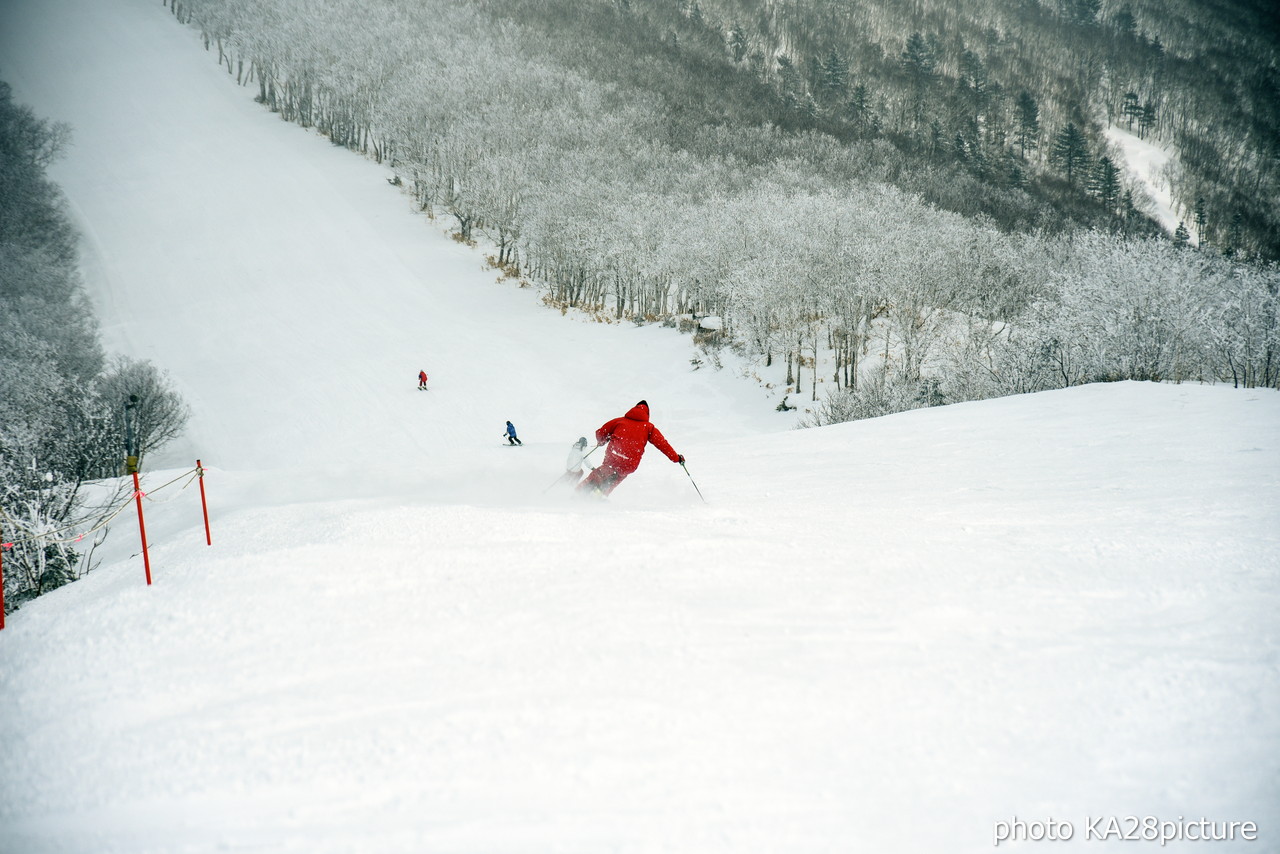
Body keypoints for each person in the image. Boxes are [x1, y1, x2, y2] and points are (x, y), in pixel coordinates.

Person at [577, 400, 683, 497]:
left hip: (613, 455)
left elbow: (600, 432)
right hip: (629, 463)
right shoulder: (649, 428)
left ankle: (579, 493)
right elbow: (663, 445)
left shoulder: (619, 421)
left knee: (601, 473)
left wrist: (602, 441)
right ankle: (598, 496)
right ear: (647, 414)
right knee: (616, 477)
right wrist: (676, 458)